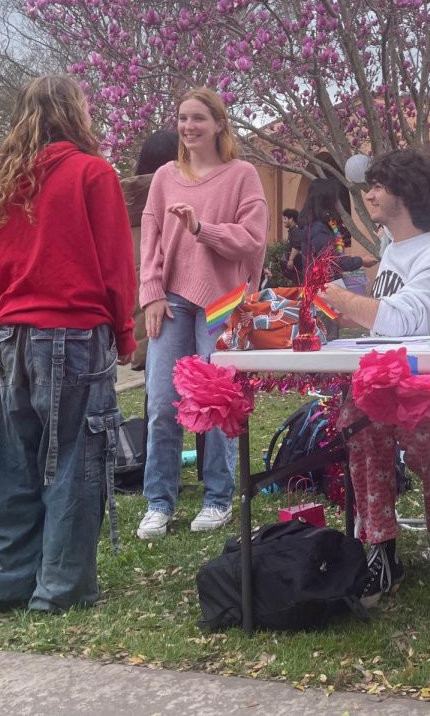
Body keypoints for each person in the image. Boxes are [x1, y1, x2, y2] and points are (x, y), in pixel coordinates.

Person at [0, 75, 136, 614]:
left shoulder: (3, 177)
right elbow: (115, 262)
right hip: (74, 330)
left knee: (12, 460)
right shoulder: (93, 172)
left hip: (13, 329)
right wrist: (125, 331)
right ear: (75, 113)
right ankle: (61, 588)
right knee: (74, 462)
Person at [320, 150, 430, 607]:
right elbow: (380, 327)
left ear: (405, 193)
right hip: (385, 384)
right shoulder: (391, 252)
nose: (368, 193)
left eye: (379, 186)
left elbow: (402, 321)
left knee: (413, 419)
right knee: (358, 419)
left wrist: (341, 301)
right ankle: (381, 548)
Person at [136, 88, 268, 540]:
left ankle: (216, 498)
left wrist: (200, 228)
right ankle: (159, 501)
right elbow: (150, 240)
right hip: (170, 299)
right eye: (182, 118)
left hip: (223, 303)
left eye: (198, 118)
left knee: (216, 404)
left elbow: (252, 240)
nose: (189, 127)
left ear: (218, 124)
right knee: (161, 402)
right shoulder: (165, 177)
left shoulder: (242, 176)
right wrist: (150, 293)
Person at [122, 130, 180, 370]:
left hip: (138, 318)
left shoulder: (124, 200)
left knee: (155, 390)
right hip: (172, 313)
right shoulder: (174, 199)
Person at [295, 179, 378, 340]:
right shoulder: (318, 228)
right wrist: (361, 261)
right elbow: (333, 260)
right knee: (327, 336)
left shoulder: (316, 225)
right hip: (322, 291)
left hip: (318, 289)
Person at [280, 207, 302, 282]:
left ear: (291, 219)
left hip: (297, 266)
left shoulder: (296, 231)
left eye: (285, 218)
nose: (283, 221)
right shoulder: (292, 231)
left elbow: (296, 246)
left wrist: (291, 260)